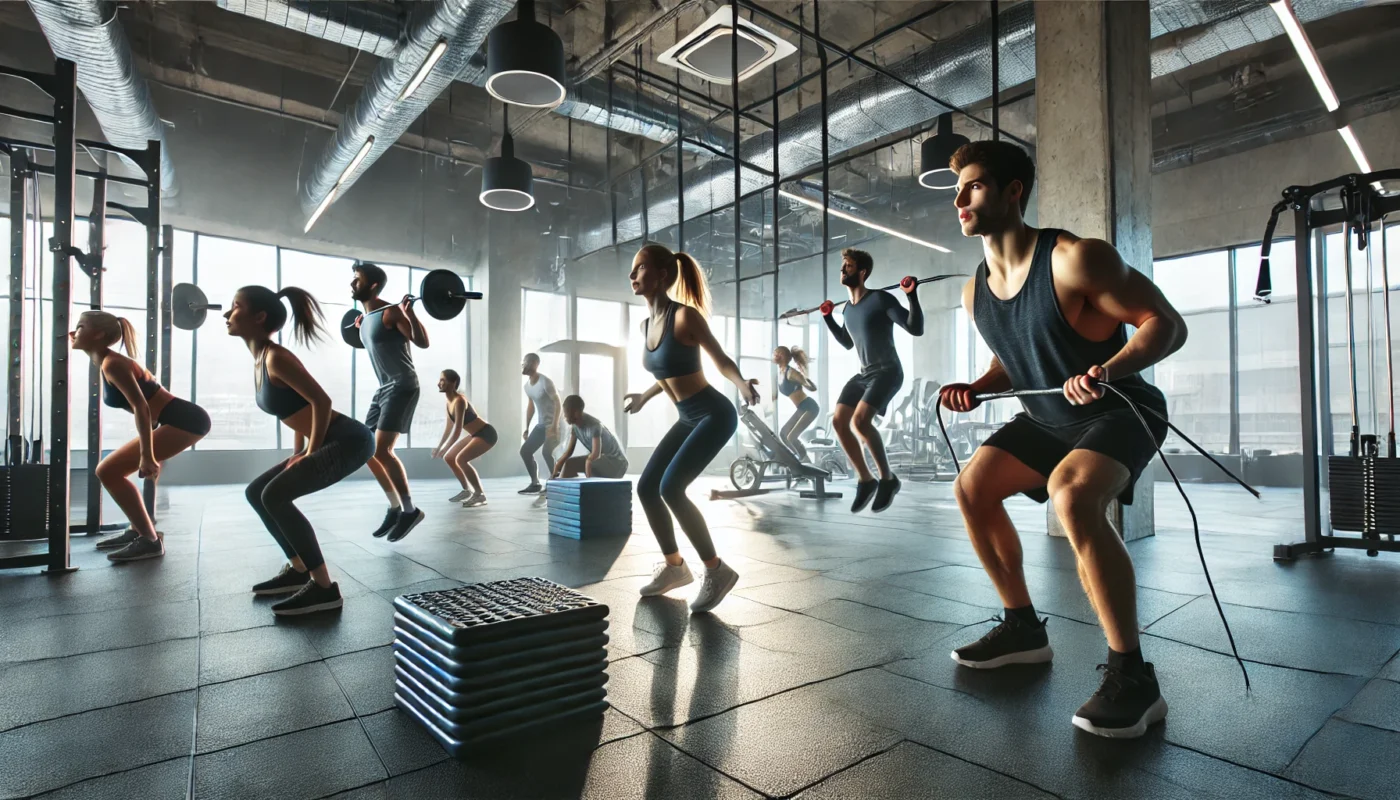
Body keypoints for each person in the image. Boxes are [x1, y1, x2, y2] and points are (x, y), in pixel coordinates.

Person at [937, 140, 1184, 739]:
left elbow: (1166, 325)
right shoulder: (977, 288)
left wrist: (1107, 370)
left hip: (1120, 407)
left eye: (972, 185)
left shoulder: (1075, 259)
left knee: (1071, 497)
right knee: (972, 487)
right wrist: (977, 383)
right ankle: (1022, 627)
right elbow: (1015, 360)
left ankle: (1134, 677)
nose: (959, 197)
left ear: (1013, 191)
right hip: (1048, 415)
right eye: (958, 188)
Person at [625, 243, 761, 614]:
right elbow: (666, 370)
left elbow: (721, 359)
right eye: (633, 269)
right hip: (687, 416)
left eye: (639, 268)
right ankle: (674, 568)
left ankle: (717, 571)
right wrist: (645, 396)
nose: (632, 275)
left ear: (663, 275)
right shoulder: (645, 325)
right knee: (647, 487)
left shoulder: (685, 317)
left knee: (671, 487)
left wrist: (742, 385)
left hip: (714, 414)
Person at [226, 285, 375, 616]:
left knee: (274, 496)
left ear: (259, 316)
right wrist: (301, 450)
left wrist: (311, 452)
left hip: (350, 439)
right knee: (257, 492)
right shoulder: (260, 360)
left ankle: (324, 588)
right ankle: (297, 569)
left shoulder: (276, 357)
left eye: (235, 306)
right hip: (328, 437)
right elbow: (293, 413)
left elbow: (321, 402)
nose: (226, 313)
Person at [70, 311, 210, 562]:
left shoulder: (113, 364)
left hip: (186, 421)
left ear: (99, 335)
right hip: (175, 420)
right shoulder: (106, 362)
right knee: (111, 470)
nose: (73, 331)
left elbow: (142, 407)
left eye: (80, 327)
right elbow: (149, 407)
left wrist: (148, 454)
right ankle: (138, 530)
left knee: (107, 471)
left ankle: (150, 541)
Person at [821, 249, 924, 513]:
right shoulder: (847, 309)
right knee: (839, 422)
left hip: (888, 371)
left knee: (860, 421)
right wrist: (828, 319)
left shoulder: (880, 299)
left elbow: (915, 328)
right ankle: (866, 480)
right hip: (865, 373)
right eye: (843, 266)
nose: (843, 270)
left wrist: (911, 296)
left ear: (862, 272)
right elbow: (846, 343)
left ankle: (888, 480)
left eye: (849, 266)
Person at [351, 262, 429, 543]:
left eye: (357, 280)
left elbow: (422, 342)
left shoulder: (391, 311)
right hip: (383, 387)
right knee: (366, 450)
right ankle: (395, 507)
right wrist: (362, 327)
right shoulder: (367, 318)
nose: (352, 284)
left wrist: (410, 314)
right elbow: (378, 344)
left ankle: (410, 511)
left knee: (382, 450)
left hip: (403, 385)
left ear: (372, 285)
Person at [430, 369, 496, 507]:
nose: (439, 383)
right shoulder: (449, 403)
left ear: (453, 383)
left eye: (443, 380)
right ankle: (467, 490)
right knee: (449, 457)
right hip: (476, 434)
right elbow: (448, 428)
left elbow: (457, 429)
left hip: (486, 433)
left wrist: (445, 448)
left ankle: (480, 495)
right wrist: (440, 448)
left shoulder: (460, 400)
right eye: (439, 380)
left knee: (460, 459)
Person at [552, 395, 628, 479]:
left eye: (566, 412)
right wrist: (558, 464)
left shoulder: (594, 426)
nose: (564, 416)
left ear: (576, 412)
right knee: (568, 464)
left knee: (585, 462)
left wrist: (588, 478)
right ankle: (562, 488)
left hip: (617, 463)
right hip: (602, 460)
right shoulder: (575, 427)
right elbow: (568, 453)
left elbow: (596, 454)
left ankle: (589, 489)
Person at [518, 353, 562, 494]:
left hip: (554, 424)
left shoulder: (545, 382)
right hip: (541, 425)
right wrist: (526, 428)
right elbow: (531, 406)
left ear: (535, 364)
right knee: (525, 451)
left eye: (527, 363)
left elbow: (558, 403)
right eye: (523, 362)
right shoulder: (527, 386)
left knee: (547, 452)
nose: (524, 365)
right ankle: (535, 483)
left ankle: (556, 483)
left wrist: (554, 426)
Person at [772, 346, 819, 463]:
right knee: (783, 434)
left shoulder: (791, 372)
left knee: (792, 437)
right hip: (801, 408)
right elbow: (774, 395)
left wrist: (804, 380)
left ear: (786, 357)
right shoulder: (780, 373)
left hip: (809, 406)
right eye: (775, 353)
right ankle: (799, 460)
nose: (776, 355)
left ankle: (807, 463)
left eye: (780, 353)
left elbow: (812, 388)